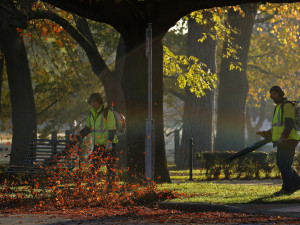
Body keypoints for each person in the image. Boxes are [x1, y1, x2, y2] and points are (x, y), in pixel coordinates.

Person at [257, 85, 300, 196]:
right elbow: (278, 125)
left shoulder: (287, 105)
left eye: (274, 93)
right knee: (283, 164)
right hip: (282, 140)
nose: (272, 96)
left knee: (284, 164)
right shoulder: (278, 107)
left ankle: (287, 189)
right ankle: (296, 184)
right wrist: (267, 133)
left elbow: (289, 123)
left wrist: (282, 137)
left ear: (281, 94)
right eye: (271, 94)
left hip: (288, 140)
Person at [75, 93, 118, 185]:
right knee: (94, 166)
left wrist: (109, 142)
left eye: (94, 102)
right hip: (97, 145)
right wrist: (78, 135)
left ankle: (111, 187)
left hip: (109, 145)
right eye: (91, 102)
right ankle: (91, 186)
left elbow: (112, 129)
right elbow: (87, 128)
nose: (92, 104)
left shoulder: (107, 113)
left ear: (99, 102)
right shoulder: (91, 114)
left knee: (110, 168)